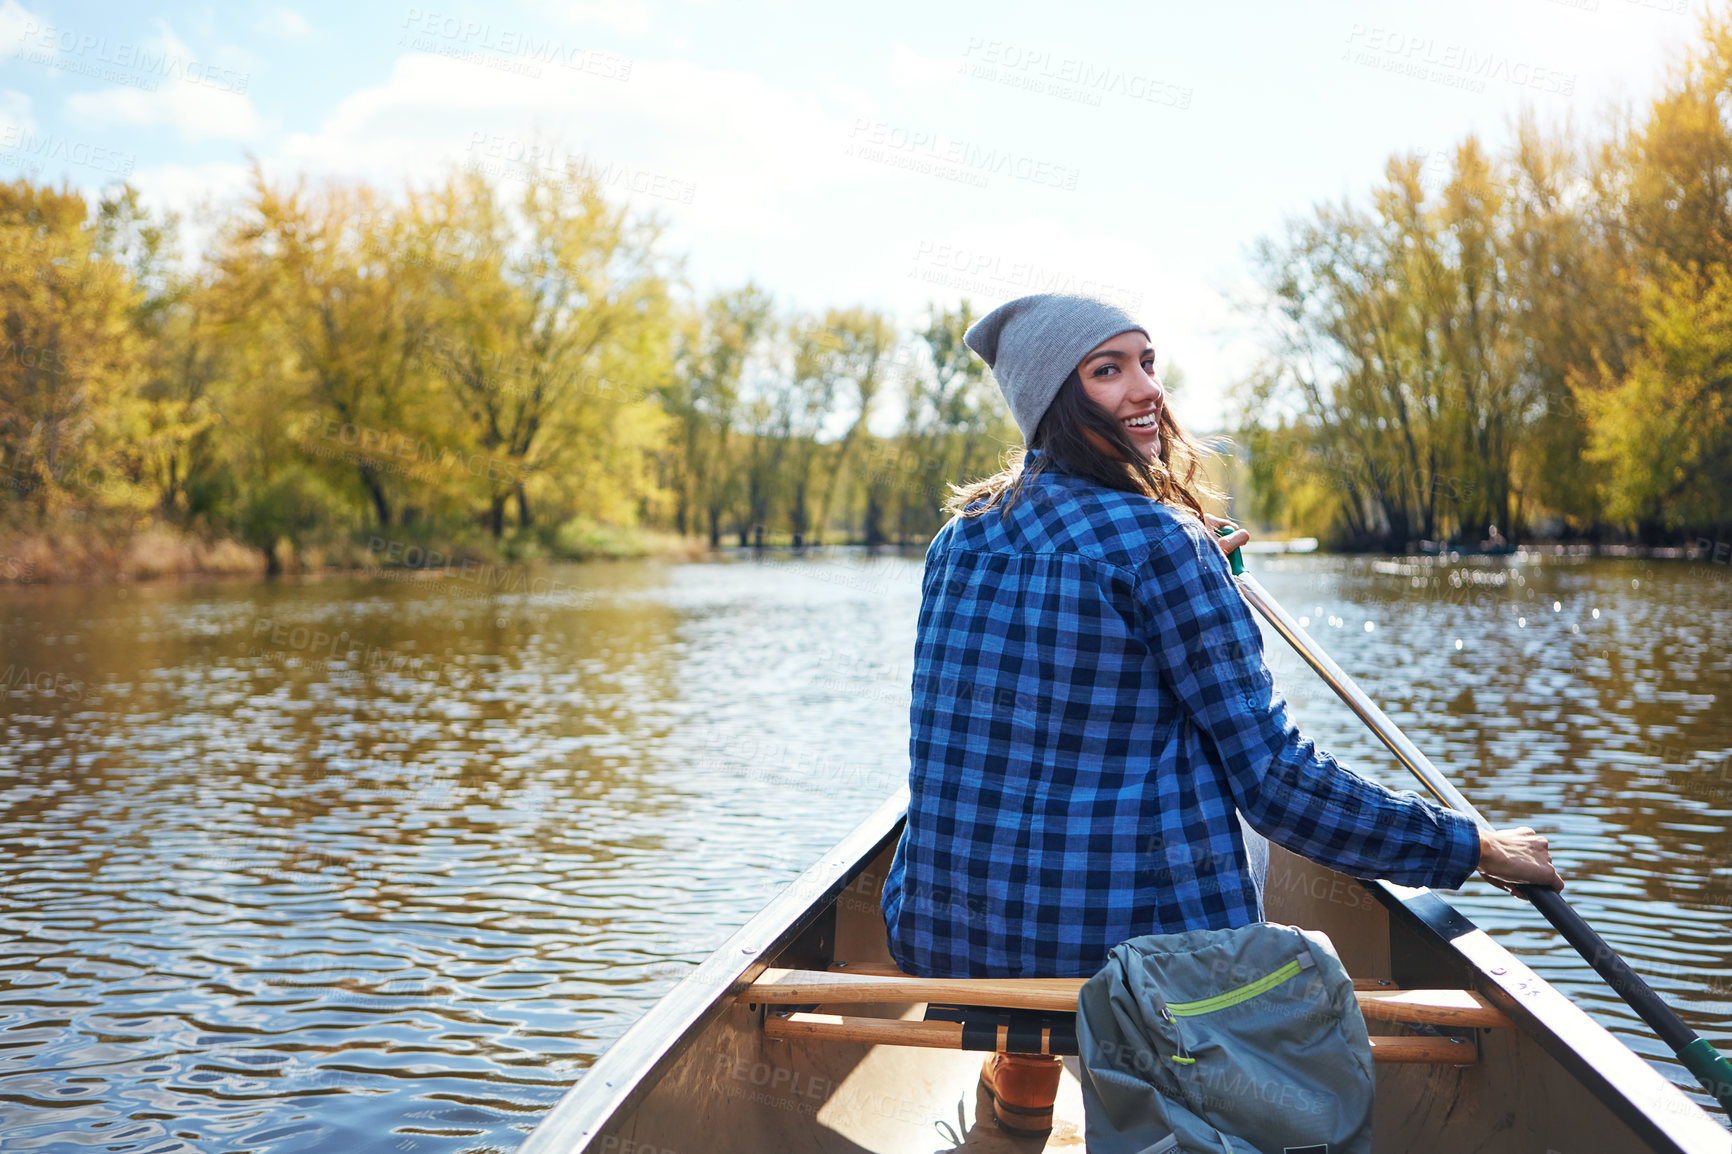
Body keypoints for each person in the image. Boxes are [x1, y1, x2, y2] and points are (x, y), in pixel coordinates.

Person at [877, 293, 1562, 1135]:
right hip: (1133, 961)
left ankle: (1010, 1124)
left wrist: (1190, 560)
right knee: (1219, 794)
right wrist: (1469, 844)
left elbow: (1075, 595)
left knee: (1041, 801)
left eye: (1148, 362)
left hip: (945, 940)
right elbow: (1276, 784)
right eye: (1108, 370)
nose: (1146, 390)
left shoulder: (961, 537)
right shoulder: (1165, 545)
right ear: (1054, 400)